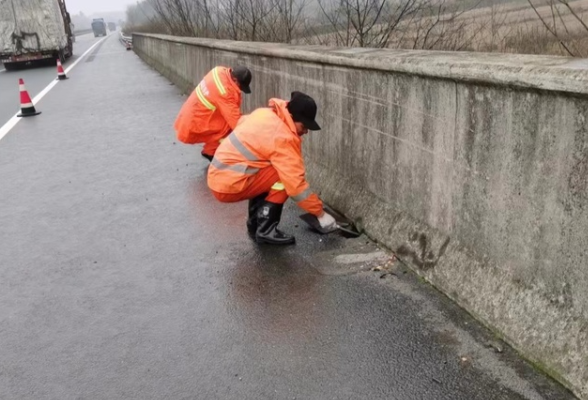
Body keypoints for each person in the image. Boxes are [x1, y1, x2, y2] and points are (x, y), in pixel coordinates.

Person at [207, 91, 337, 245]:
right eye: (304, 125)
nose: (306, 131)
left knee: (271, 169)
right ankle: (266, 231)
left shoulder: (264, 114)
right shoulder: (283, 137)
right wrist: (320, 214)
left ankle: (255, 224)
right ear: (294, 118)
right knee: (283, 176)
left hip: (219, 175)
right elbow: (296, 187)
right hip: (229, 184)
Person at [174, 65, 252, 161]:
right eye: (241, 87)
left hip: (193, 113)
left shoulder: (219, 70)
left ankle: (209, 152)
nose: (240, 90)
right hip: (197, 120)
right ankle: (212, 153)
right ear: (235, 80)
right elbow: (235, 122)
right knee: (228, 129)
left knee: (224, 123)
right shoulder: (225, 92)